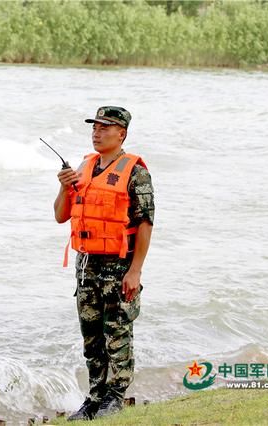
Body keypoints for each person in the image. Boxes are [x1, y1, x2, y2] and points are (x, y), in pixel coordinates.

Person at [53, 106, 154, 420]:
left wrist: (135, 270)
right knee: (92, 338)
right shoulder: (84, 166)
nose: (97, 132)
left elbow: (146, 222)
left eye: (104, 127)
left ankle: (116, 397)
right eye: (94, 127)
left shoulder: (135, 170)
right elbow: (60, 215)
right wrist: (63, 185)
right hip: (86, 266)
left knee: (117, 334)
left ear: (121, 133)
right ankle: (94, 399)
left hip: (119, 265)